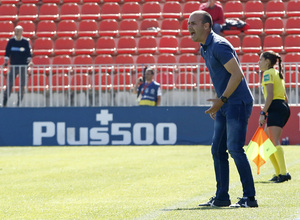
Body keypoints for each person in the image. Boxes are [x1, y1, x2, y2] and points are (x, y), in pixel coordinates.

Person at [188, 11, 258, 208]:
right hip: (226, 103)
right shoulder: (205, 48)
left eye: (193, 23)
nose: (189, 28)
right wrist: (219, 103)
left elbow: (237, 75)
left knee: (235, 148)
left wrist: (222, 99)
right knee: (218, 149)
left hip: (237, 103)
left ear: (207, 26)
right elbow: (223, 77)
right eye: (188, 24)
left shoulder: (218, 45)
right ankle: (222, 197)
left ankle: (249, 198)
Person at [258, 51, 291, 183]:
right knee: (267, 141)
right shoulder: (277, 73)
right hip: (281, 107)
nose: (258, 62)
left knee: (274, 140)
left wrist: (263, 113)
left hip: (276, 107)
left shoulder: (267, 74)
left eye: (260, 60)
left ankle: (283, 173)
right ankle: (278, 173)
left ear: (267, 61)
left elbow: (270, 96)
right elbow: (285, 97)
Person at [3, 25, 32, 107]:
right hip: (13, 65)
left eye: (18, 31)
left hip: (23, 66)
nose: (17, 33)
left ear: (22, 32)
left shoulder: (25, 42)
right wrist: (6, 61)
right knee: (10, 84)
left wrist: (29, 62)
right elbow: (7, 53)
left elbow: (28, 54)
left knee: (22, 85)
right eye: (16, 31)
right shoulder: (11, 41)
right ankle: (4, 101)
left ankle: (19, 102)